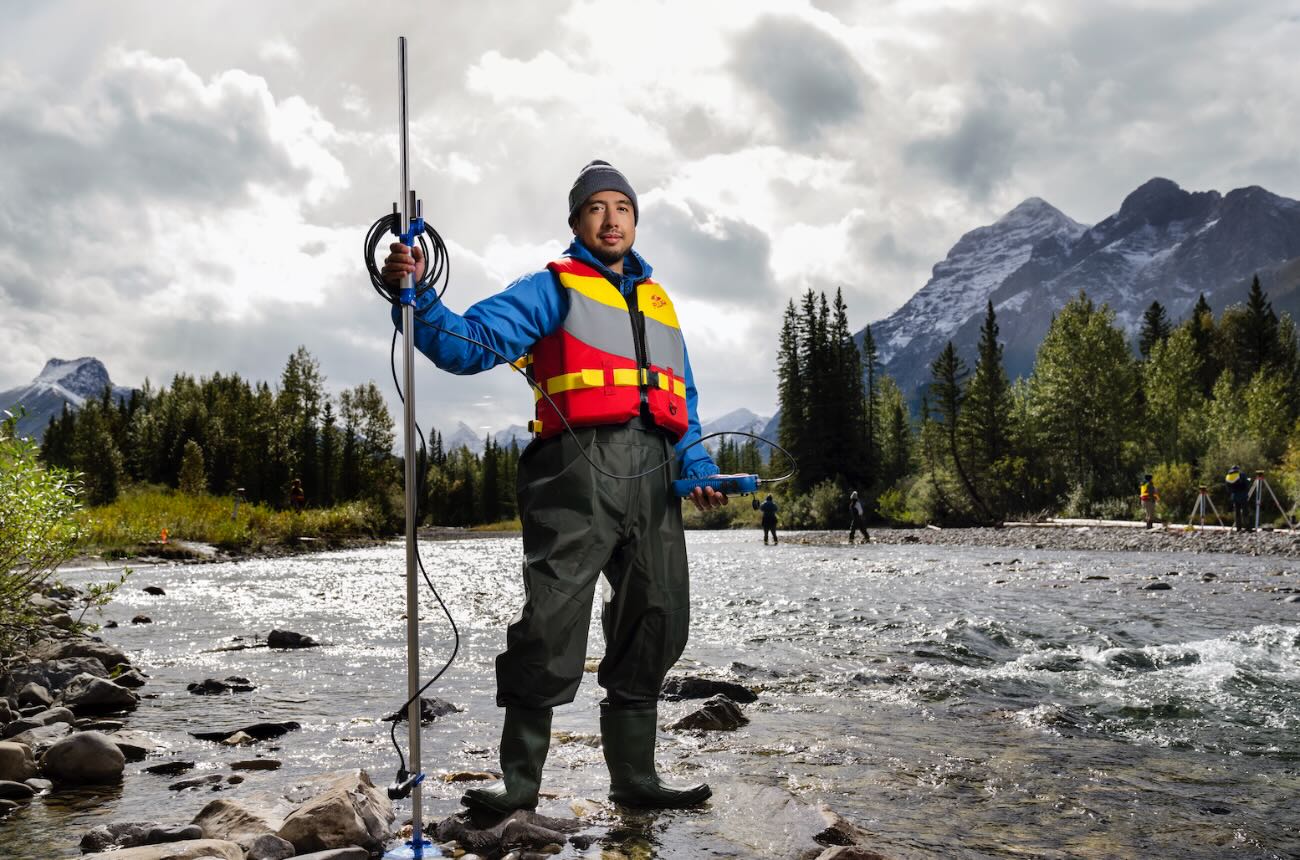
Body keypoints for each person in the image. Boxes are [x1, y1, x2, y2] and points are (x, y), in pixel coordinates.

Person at [382, 160, 727, 814]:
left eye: (621, 207)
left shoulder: (660, 304)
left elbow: (684, 404)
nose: (610, 218)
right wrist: (419, 297)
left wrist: (700, 471)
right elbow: (470, 343)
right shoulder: (550, 288)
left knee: (657, 617)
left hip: (655, 479)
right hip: (574, 471)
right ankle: (519, 787)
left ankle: (636, 782)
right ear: (576, 222)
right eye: (595, 207)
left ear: (634, 219)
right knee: (551, 622)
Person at [1226, 465, 1252, 531]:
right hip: (1243, 495)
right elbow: (1247, 482)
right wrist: (1249, 479)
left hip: (1234, 496)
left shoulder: (1228, 476)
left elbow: (1228, 488)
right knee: (1245, 512)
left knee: (1237, 513)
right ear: (1238, 469)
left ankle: (1238, 528)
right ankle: (1248, 528)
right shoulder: (1241, 474)